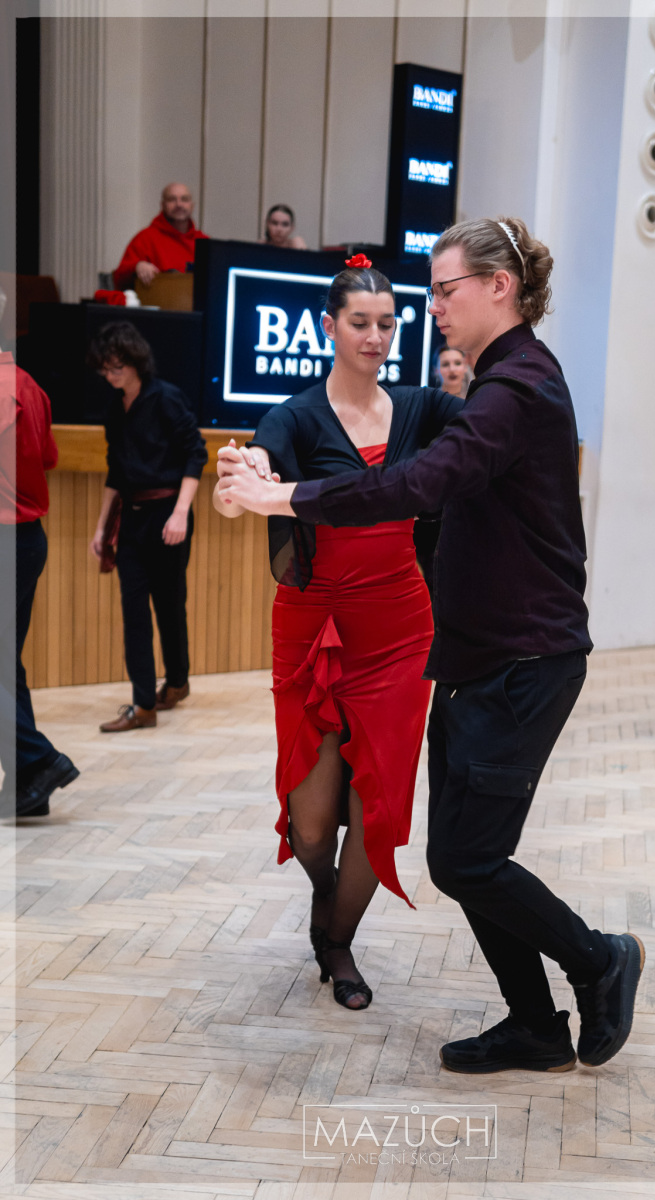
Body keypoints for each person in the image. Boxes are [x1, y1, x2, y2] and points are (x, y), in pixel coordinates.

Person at [217, 217, 645, 1071]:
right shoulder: (499, 384)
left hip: (525, 660)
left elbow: (419, 481)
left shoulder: (516, 390)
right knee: (462, 853)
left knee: (464, 857)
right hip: (474, 659)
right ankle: (534, 1025)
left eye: (445, 291)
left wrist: (288, 497)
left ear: (499, 287)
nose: (433, 309)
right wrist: (254, 480)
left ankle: (601, 959)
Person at [214, 256, 462, 1010]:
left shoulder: (422, 408)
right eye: (360, 323)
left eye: (387, 324)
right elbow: (246, 484)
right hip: (314, 625)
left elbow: (491, 435)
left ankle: (339, 940)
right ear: (329, 326)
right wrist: (241, 480)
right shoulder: (293, 417)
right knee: (314, 823)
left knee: (375, 806)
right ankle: (325, 892)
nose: (375, 337)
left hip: (399, 628)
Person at [88, 322, 207, 731]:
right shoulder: (114, 408)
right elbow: (115, 473)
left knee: (170, 605)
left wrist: (180, 512)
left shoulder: (166, 398)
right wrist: (101, 528)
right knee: (134, 611)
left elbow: (196, 455)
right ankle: (143, 706)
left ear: (135, 361)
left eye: (116, 367)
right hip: (131, 519)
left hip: (168, 513)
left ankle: (177, 681)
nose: (110, 375)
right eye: (104, 369)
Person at [0, 286, 79, 818]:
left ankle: (41, 759)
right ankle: (29, 783)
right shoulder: (30, 386)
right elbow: (47, 457)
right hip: (29, 539)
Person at [113, 182, 208, 290]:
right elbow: (119, 280)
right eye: (172, 199)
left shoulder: (204, 242)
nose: (179, 204)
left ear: (192, 205)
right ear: (162, 205)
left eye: (184, 199)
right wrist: (137, 267)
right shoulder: (145, 238)